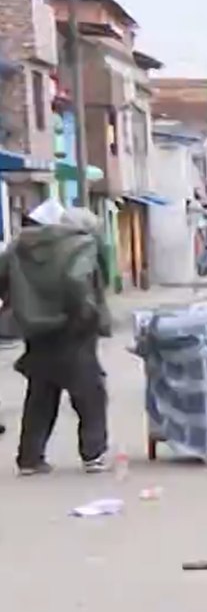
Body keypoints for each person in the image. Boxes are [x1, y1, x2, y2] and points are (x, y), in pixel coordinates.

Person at [0, 200, 111, 475]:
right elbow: (76, 281)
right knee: (90, 394)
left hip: (36, 332)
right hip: (73, 329)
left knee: (40, 394)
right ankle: (93, 454)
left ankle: (30, 458)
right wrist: (86, 312)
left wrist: (16, 306)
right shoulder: (80, 245)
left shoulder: (18, 247)